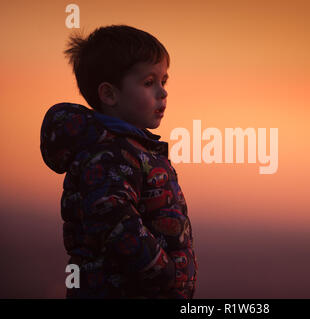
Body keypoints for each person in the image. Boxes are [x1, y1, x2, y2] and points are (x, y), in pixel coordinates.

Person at [40, 25, 197, 298]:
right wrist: (165, 275)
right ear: (109, 94)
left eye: (164, 81)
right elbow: (113, 220)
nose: (163, 92)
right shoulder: (108, 155)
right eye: (149, 82)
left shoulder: (134, 149)